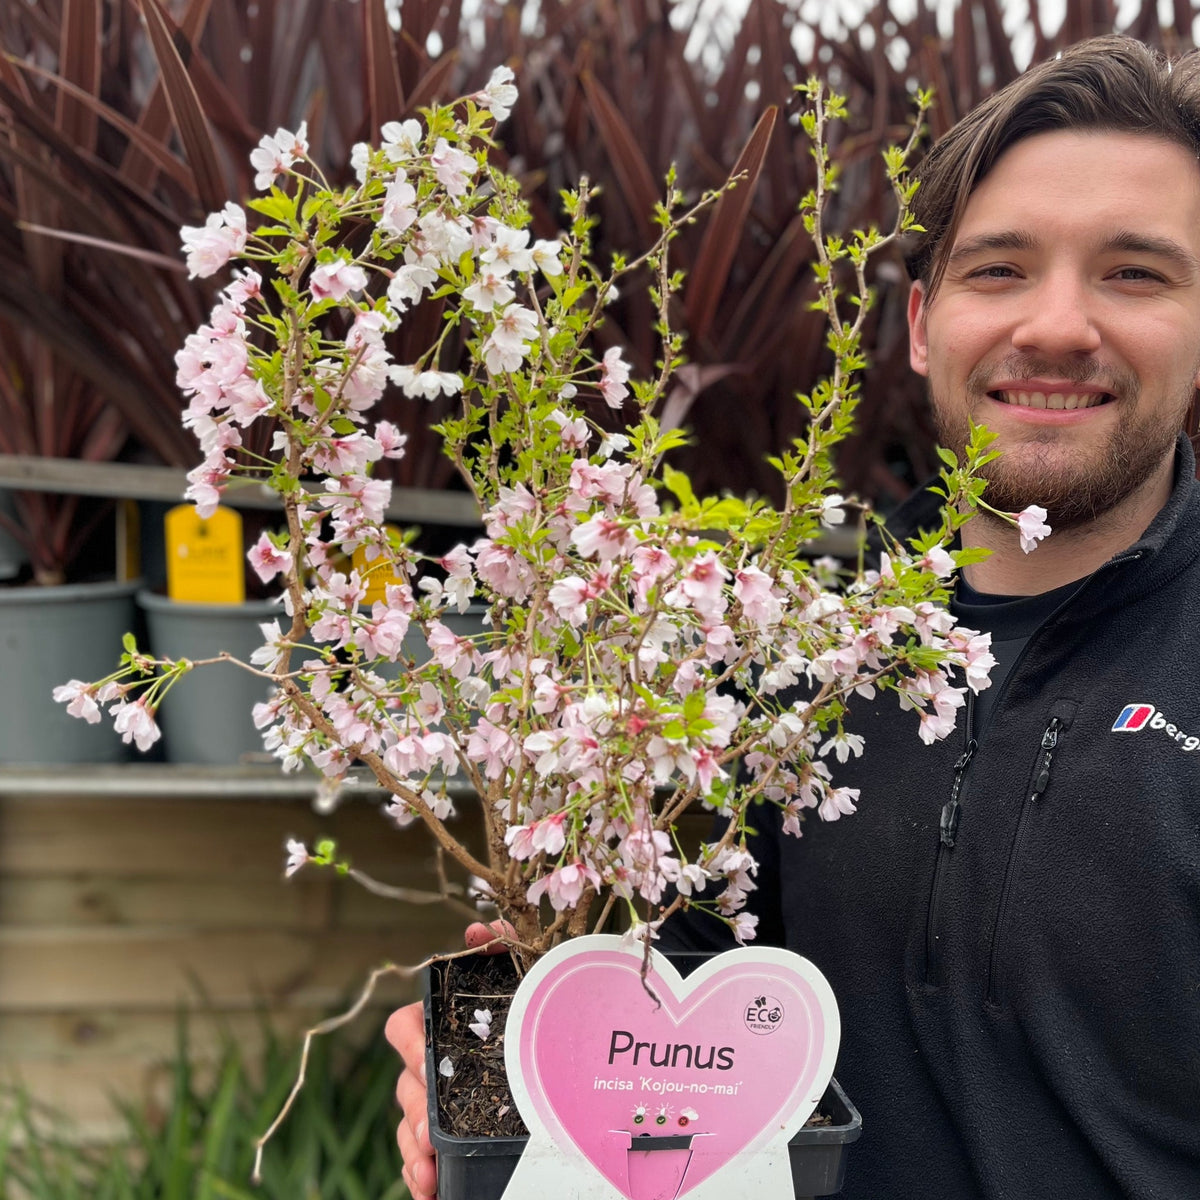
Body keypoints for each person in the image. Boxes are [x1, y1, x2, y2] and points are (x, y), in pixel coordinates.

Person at [385, 35, 1200, 1199]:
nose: (1059, 325)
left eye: (1134, 273)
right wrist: (528, 1072)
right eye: (999, 270)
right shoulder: (786, 658)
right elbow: (689, 1035)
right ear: (920, 326)